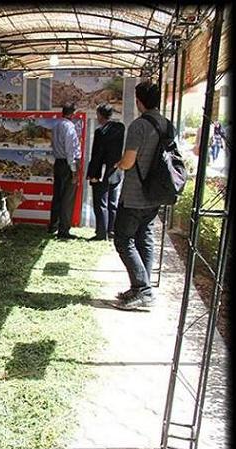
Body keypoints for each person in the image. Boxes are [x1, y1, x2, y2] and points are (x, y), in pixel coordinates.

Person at [112, 81, 168, 310]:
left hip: (135, 194)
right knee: (144, 238)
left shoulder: (139, 126)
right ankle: (140, 288)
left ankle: (143, 290)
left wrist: (119, 164)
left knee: (123, 239)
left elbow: (128, 161)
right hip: (155, 193)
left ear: (139, 101)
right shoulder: (166, 124)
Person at [86, 103, 125, 241]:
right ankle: (111, 231)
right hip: (116, 170)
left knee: (100, 202)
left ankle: (101, 233)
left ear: (100, 115)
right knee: (112, 202)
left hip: (101, 172)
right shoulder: (120, 128)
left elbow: (97, 155)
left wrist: (92, 174)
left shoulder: (100, 132)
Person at [48, 102, 81, 239]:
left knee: (57, 195)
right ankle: (64, 230)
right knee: (68, 198)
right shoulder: (69, 127)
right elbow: (70, 150)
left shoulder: (56, 125)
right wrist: (74, 170)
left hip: (58, 162)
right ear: (72, 114)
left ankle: (53, 225)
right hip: (67, 163)